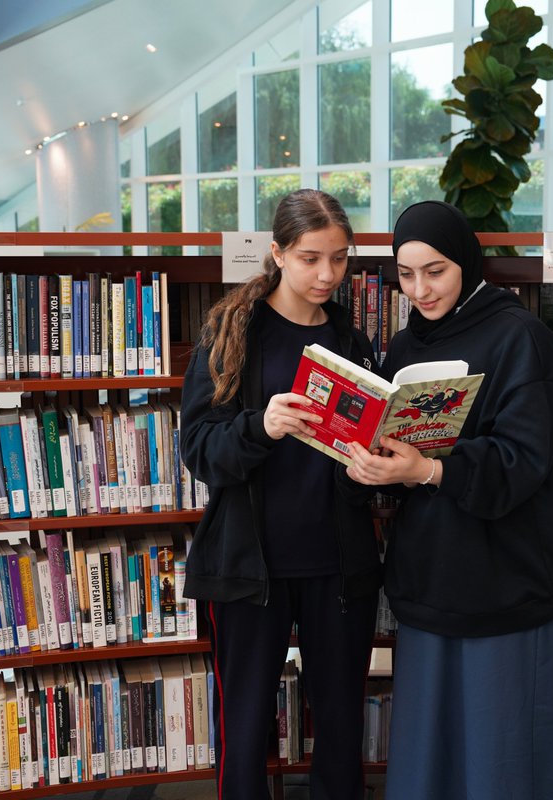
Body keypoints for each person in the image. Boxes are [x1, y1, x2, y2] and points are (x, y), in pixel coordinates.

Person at [345, 200, 553, 799]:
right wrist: (375, 464)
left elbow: (525, 462)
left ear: (468, 265)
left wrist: (428, 468)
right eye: (406, 274)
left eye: (436, 271)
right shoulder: (401, 347)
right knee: (432, 753)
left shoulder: (522, 338)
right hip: (429, 580)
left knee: (499, 754)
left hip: (504, 579)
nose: (420, 289)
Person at [179, 189, 382, 800]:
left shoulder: (351, 338)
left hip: (338, 565)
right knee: (243, 730)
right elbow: (199, 451)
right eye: (310, 258)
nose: (327, 275)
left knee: (341, 726)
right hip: (248, 566)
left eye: (341, 259)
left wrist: (375, 457)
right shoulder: (234, 331)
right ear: (277, 254)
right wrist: (259, 427)